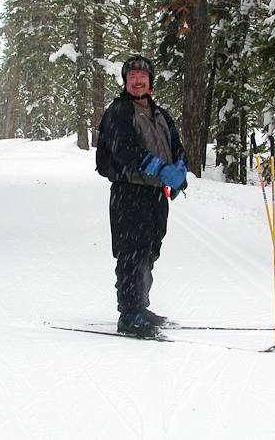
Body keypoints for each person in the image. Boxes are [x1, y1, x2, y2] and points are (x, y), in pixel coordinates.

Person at [97, 55, 188, 339]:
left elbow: (176, 145)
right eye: (132, 76)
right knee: (131, 253)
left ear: (150, 82)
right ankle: (129, 315)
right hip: (129, 191)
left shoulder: (160, 114)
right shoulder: (119, 111)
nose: (138, 81)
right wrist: (161, 168)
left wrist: (180, 169)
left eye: (143, 76)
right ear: (126, 81)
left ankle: (140, 306)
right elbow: (125, 150)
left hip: (155, 193)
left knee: (150, 250)